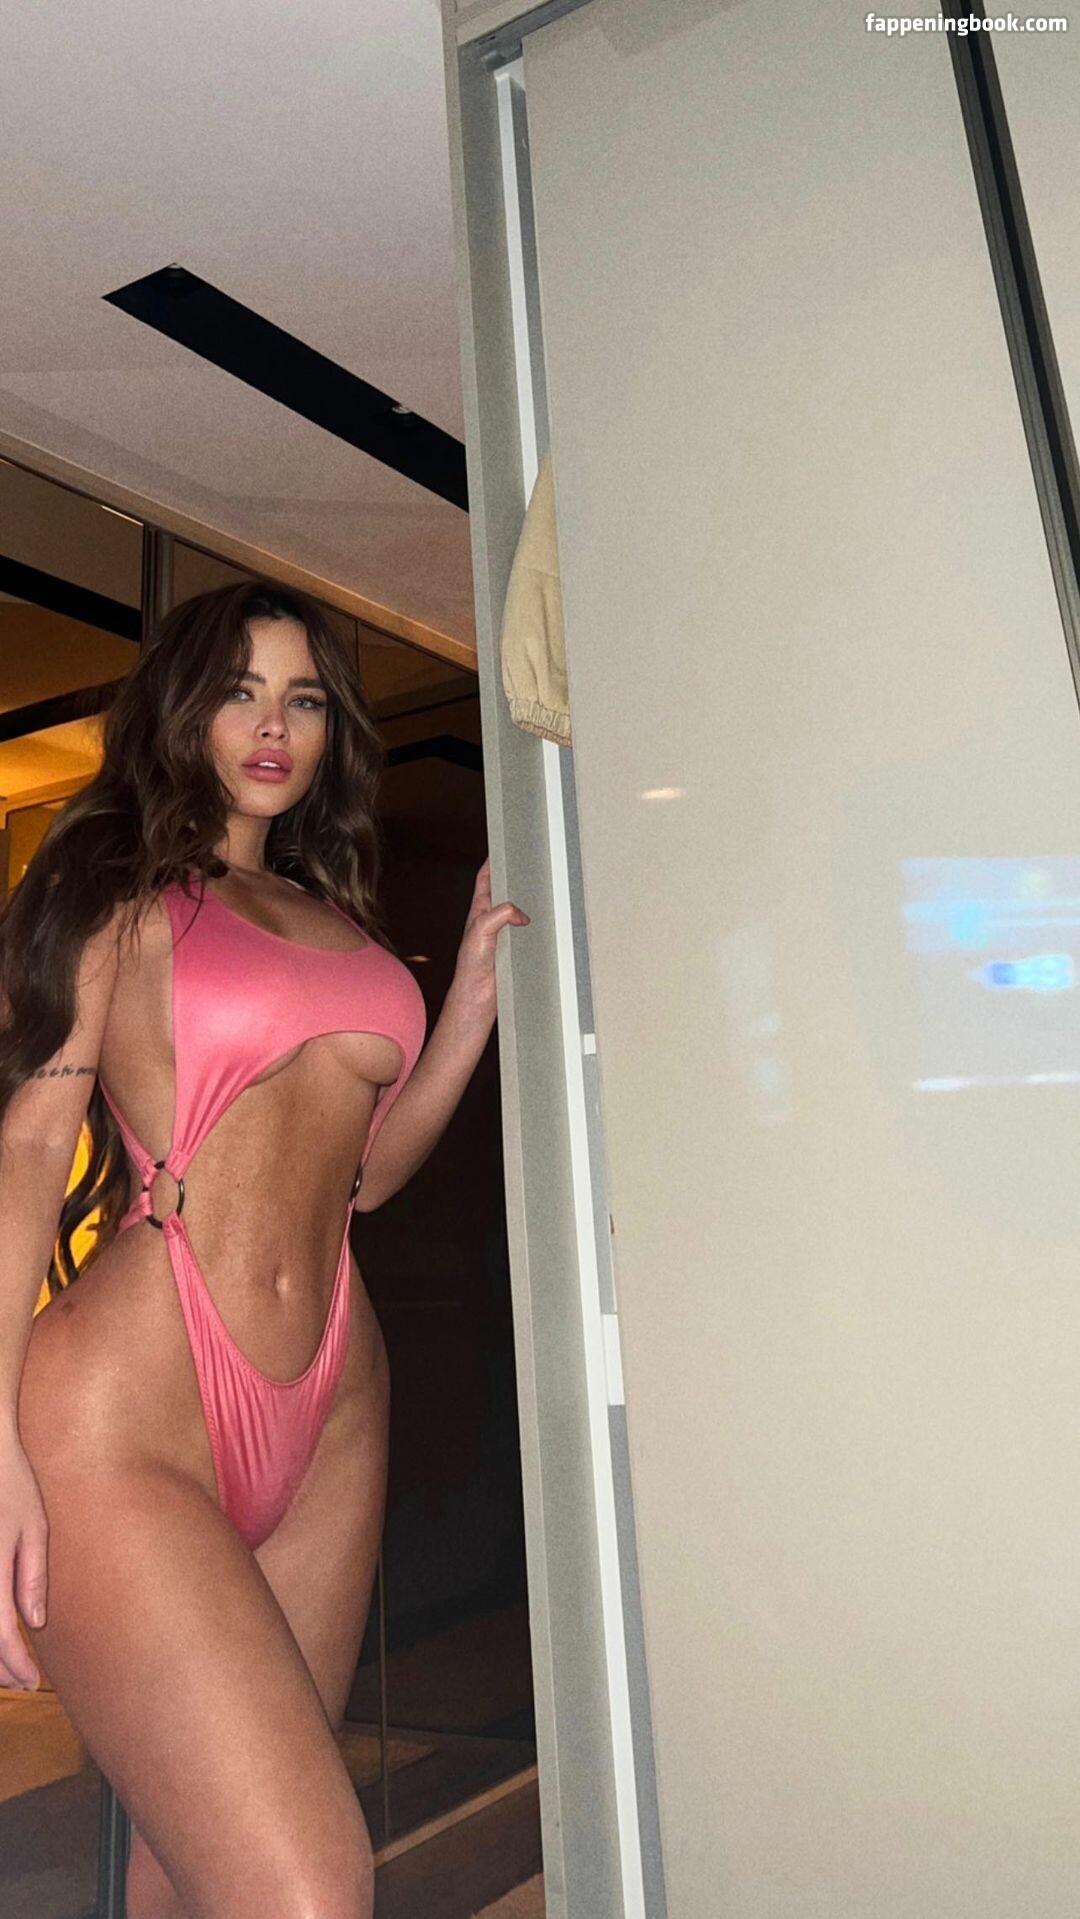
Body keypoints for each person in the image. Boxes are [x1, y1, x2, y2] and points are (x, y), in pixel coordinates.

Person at [0, 581, 529, 1919]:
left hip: (333, 1408)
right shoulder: (112, 882)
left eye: (302, 698)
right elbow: (29, 1151)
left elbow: (365, 1177)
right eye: (240, 691)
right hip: (135, 1405)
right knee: (306, 1887)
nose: (274, 725)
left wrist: (469, 1001)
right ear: (184, 708)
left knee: (196, 1866)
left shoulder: (335, 911)